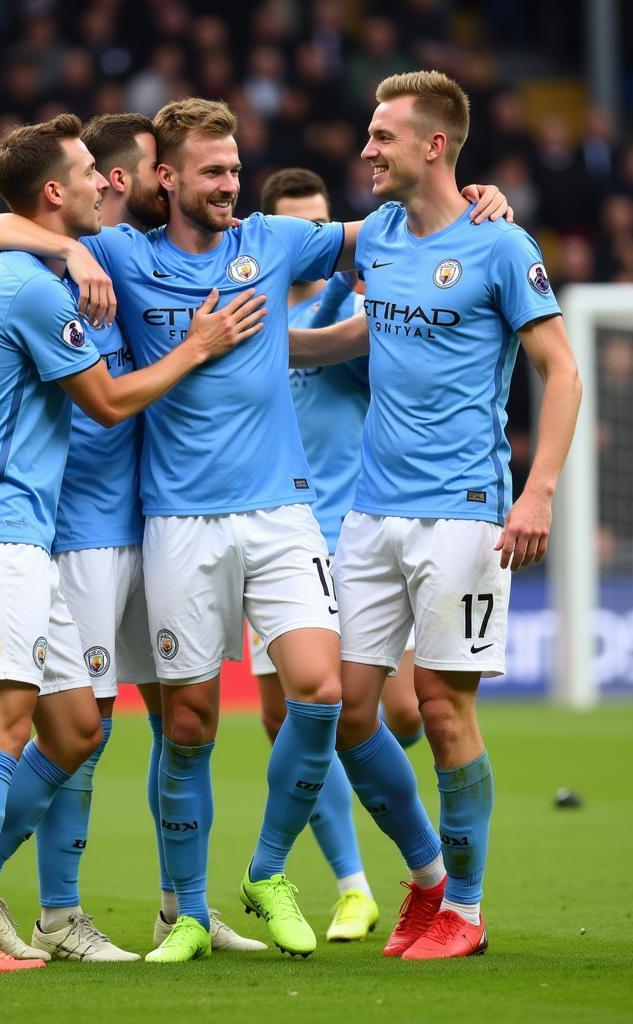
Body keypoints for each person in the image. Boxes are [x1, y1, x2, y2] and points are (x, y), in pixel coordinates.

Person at [0, 97, 509, 963]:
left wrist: (478, 197)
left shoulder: (272, 240)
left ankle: (266, 870)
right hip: (175, 521)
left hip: (282, 511)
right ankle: (183, 913)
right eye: (212, 172)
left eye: (234, 169)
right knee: (185, 726)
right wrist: (69, 244)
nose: (228, 185)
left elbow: (395, 224)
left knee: (321, 690)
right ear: (166, 178)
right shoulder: (119, 253)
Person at [0, 113, 262, 974]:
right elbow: (104, 402)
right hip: (0, 526)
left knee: (53, 729)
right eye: (90, 173)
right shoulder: (34, 284)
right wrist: (199, 345)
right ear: (57, 193)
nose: (108, 186)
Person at [290, 71, 581, 961]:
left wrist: (537, 493)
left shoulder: (500, 245)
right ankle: (427, 879)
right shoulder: (375, 235)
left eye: (383, 136)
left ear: (434, 146)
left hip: (462, 512)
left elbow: (562, 371)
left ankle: (467, 907)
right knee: (347, 712)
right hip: (370, 514)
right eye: (368, 135)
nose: (366, 149)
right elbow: (327, 295)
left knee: (445, 713)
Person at [253, 166, 504, 943]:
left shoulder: (394, 278)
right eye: (303, 232)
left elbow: (372, 343)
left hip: (415, 515)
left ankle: (454, 894)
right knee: (317, 712)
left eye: (326, 230)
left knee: (418, 707)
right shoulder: (250, 302)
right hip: (292, 536)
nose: (320, 244)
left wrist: (473, 207)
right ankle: (382, 882)